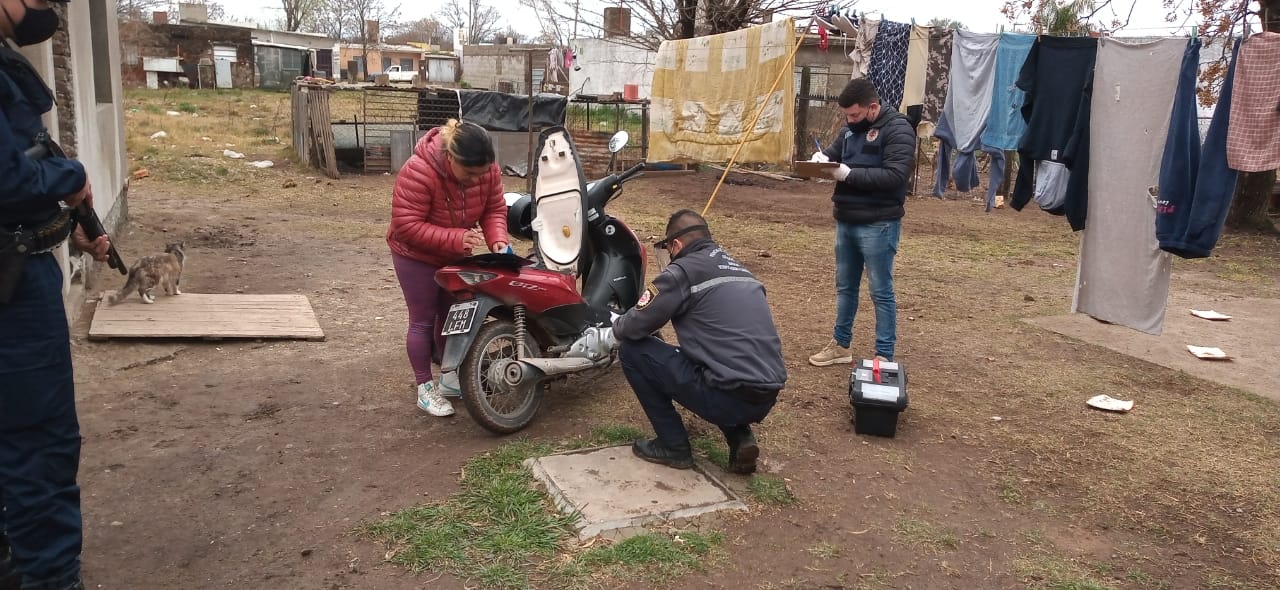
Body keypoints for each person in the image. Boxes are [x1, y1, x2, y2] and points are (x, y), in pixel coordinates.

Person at [1, 1, 111, 589]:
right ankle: (49, 576)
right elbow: (9, 179)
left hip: (20, 267)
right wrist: (72, 179)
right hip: (13, 293)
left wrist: (67, 227)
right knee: (39, 438)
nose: (45, 7)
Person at [610, 210, 787, 474]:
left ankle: (673, 446)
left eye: (669, 250)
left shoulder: (682, 271)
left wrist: (612, 330)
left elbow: (636, 323)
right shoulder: (739, 269)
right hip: (765, 395)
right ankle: (740, 437)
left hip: (726, 395)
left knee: (633, 351)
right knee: (716, 361)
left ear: (676, 244)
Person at [387, 118, 508, 417]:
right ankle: (424, 388)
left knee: (454, 318)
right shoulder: (419, 171)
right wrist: (457, 238)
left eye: (482, 173)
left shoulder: (487, 171)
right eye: (470, 174)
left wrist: (497, 239)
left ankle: (450, 379)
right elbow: (406, 225)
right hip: (414, 256)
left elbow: (494, 208)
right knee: (423, 321)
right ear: (452, 158)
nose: (476, 180)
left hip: (452, 254)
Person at [807, 78, 915, 367]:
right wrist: (821, 159)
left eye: (855, 115)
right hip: (846, 218)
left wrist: (848, 174)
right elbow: (833, 156)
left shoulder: (899, 129)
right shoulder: (849, 130)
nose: (850, 120)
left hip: (879, 222)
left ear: (873, 107)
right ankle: (841, 345)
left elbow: (895, 176)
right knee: (845, 287)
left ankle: (884, 354)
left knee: (880, 291)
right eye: (846, 115)